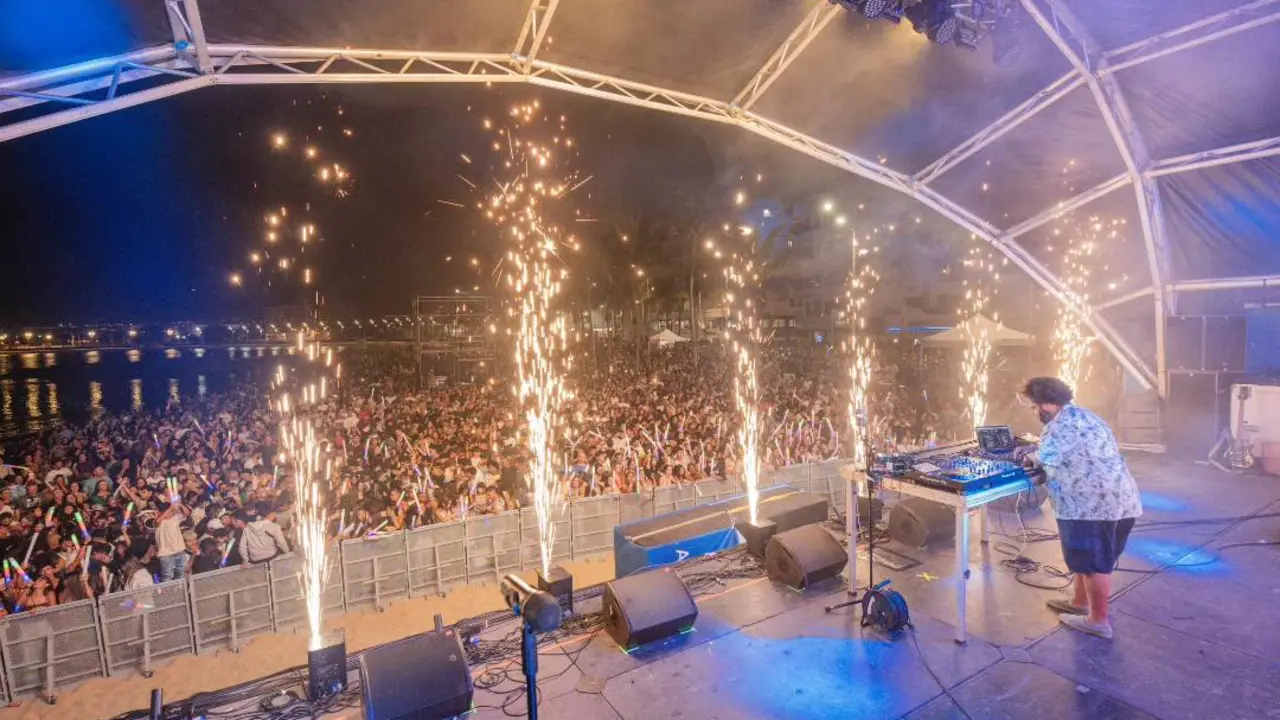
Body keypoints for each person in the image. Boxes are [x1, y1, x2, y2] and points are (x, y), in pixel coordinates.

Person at [1017, 376, 1143, 639]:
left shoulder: (1059, 426)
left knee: (1095, 563)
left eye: (1035, 406)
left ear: (1048, 404)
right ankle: (1079, 604)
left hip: (1089, 507)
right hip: (1122, 501)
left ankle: (1098, 621)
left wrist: (1028, 454)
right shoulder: (1088, 416)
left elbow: (1047, 458)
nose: (1035, 412)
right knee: (1089, 560)